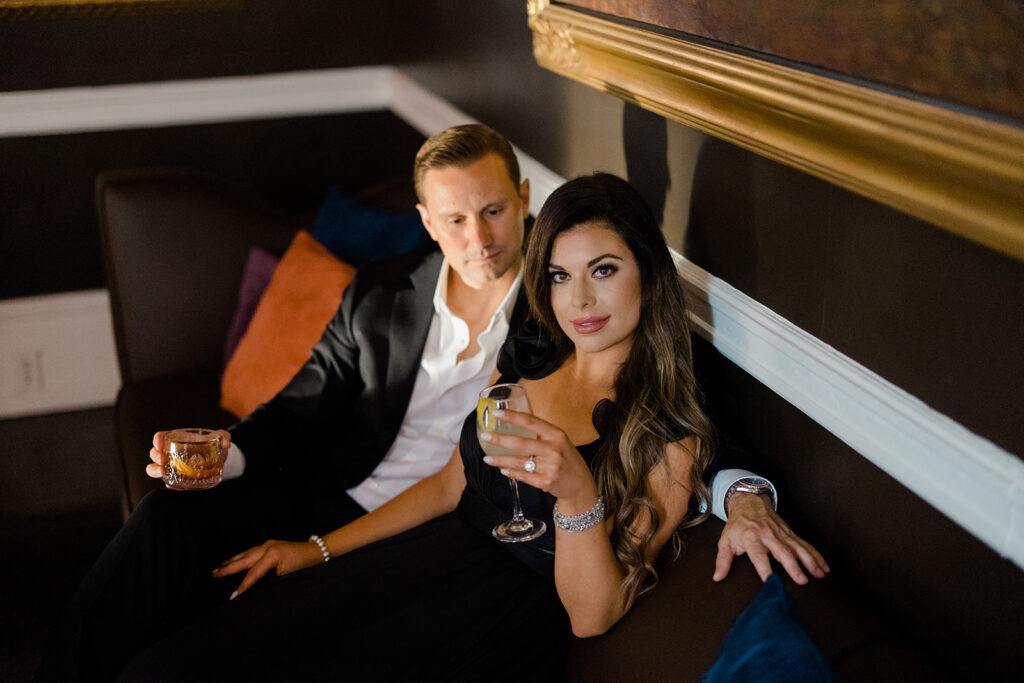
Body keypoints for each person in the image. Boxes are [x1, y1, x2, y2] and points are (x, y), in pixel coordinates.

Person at [42, 126, 825, 682]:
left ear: (522, 201)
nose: (479, 238)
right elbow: (307, 403)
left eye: (493, 211)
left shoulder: (555, 323)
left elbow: (686, 403)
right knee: (164, 526)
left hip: (460, 556)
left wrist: (744, 492)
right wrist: (228, 455)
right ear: (427, 223)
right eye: (454, 219)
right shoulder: (382, 296)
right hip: (350, 496)